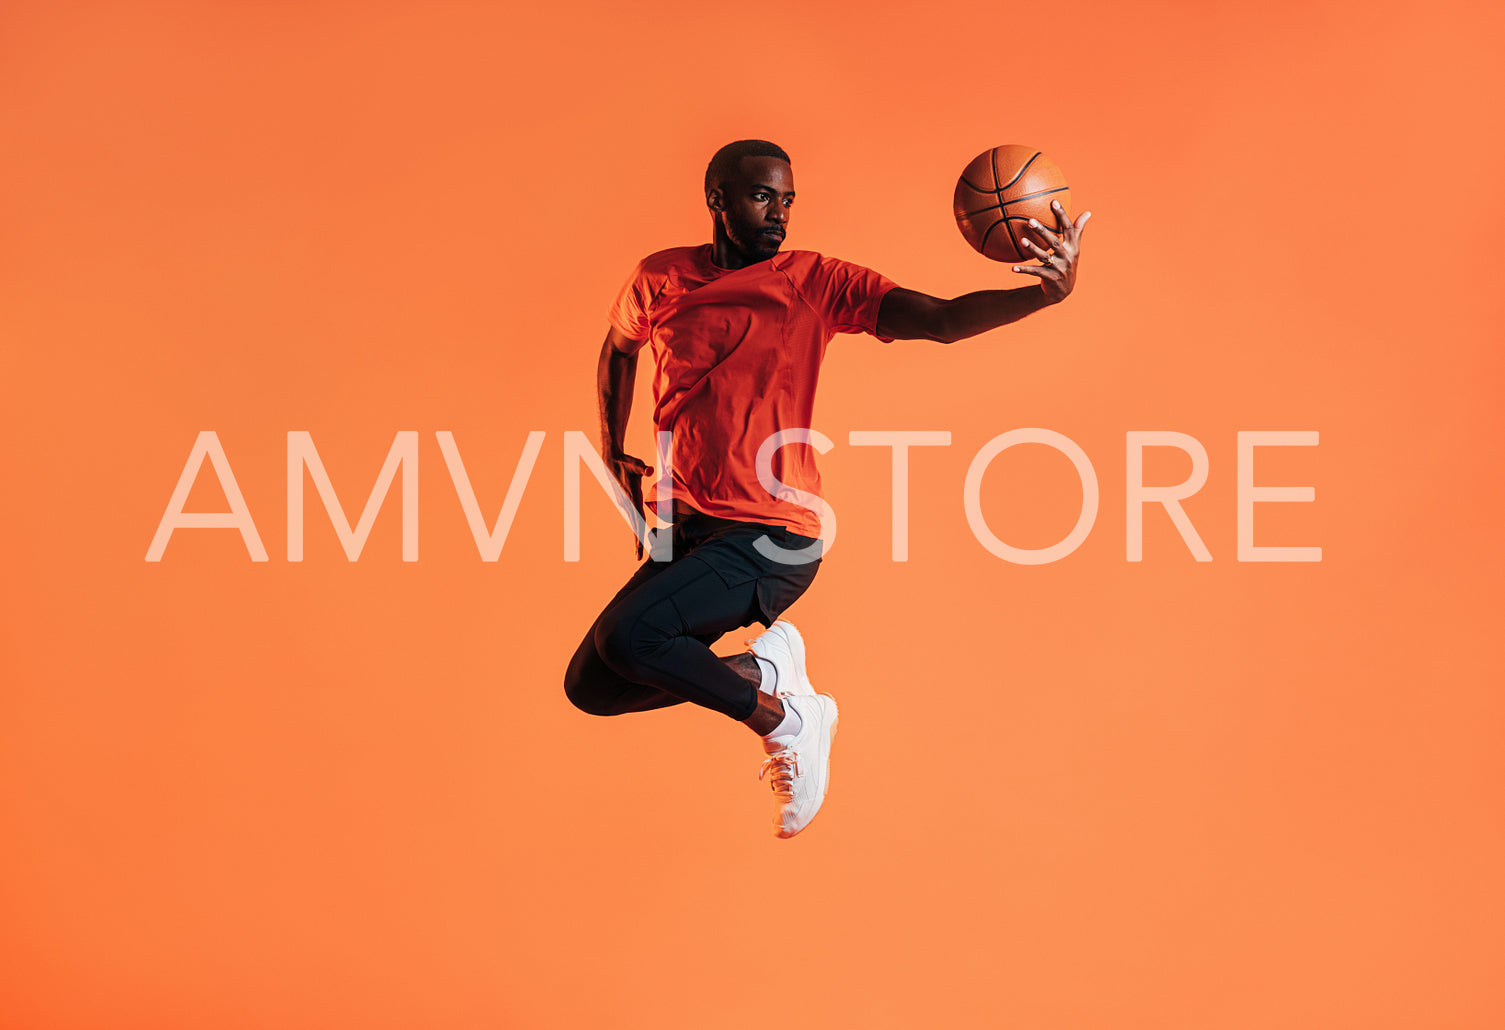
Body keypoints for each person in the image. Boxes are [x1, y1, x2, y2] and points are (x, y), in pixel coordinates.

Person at [563, 139, 1090, 838]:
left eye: (786, 199)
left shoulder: (813, 283)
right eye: (760, 197)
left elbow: (937, 319)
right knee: (595, 687)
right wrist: (610, 452)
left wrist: (1043, 294)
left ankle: (785, 719)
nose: (777, 213)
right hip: (688, 530)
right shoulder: (661, 278)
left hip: (771, 535)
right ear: (718, 200)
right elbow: (617, 347)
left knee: (633, 638)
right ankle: (762, 668)